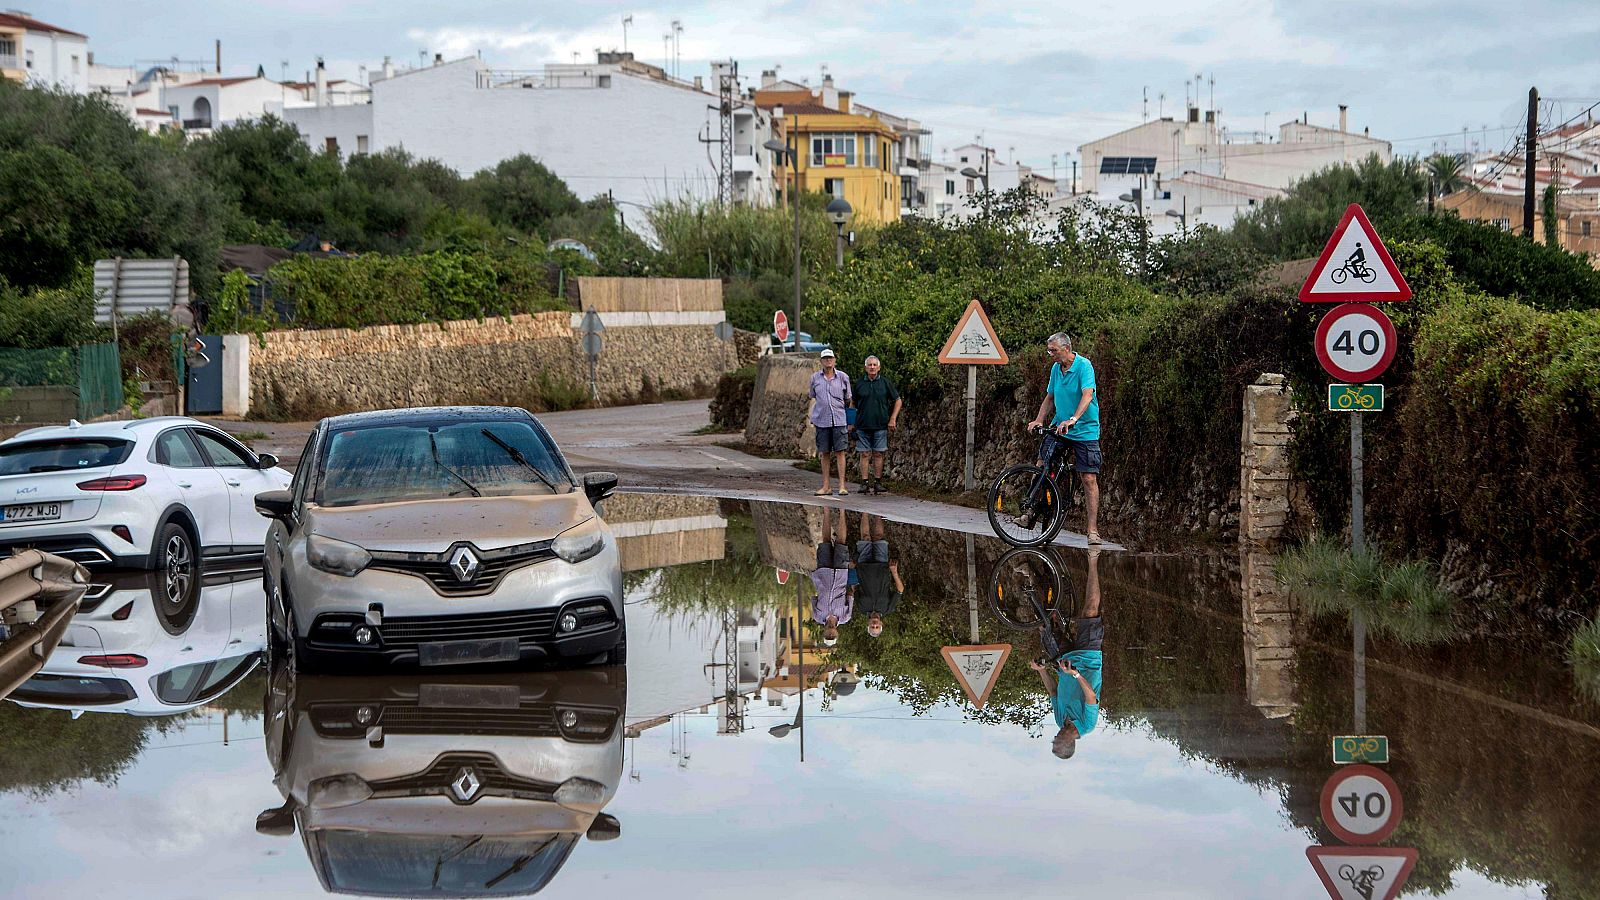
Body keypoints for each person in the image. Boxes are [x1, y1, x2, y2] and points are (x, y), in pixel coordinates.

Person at [1023, 332, 1103, 544]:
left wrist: (1074, 419)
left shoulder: (1084, 366)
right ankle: (1030, 511)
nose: (1050, 354)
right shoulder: (1056, 369)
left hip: (1084, 430)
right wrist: (1039, 419)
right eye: (1049, 350)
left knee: (1088, 478)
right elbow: (1050, 397)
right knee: (1041, 465)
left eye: (1054, 351)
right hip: (1060, 428)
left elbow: (1087, 395)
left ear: (1066, 349)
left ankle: (1092, 530)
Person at [1030, 547, 1103, 759]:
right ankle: (1093, 560)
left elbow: (1053, 693)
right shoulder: (1087, 725)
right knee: (1090, 610)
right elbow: (1091, 696)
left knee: (1043, 624)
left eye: (1054, 739)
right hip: (1088, 658)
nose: (1056, 736)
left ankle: (1038, 572)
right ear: (1069, 743)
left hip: (1064, 661)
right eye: (1058, 741)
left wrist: (1041, 671)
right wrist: (1077, 674)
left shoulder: (1059, 719)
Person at [850, 356, 902, 494]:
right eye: (869, 365)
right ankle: (864, 483)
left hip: (880, 425)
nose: (872, 367)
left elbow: (897, 400)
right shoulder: (859, 384)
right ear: (865, 367)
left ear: (879, 367)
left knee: (878, 453)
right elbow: (853, 403)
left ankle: (878, 482)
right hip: (862, 425)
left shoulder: (885, 383)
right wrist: (851, 422)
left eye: (874, 365)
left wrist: (893, 419)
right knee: (864, 454)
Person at [809, 348, 853, 496]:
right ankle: (826, 486)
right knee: (825, 453)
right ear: (821, 361)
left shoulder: (843, 377)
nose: (828, 360)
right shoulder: (815, 378)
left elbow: (848, 398)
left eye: (830, 358)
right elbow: (813, 395)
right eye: (825, 358)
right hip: (822, 420)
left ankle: (842, 486)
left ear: (835, 360)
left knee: (840, 452)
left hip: (839, 420)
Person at [853, 511, 902, 637]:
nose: (874, 624)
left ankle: (864, 511)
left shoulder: (861, 608)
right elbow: (900, 591)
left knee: (865, 537)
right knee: (879, 537)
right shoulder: (887, 609)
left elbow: (855, 588)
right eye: (877, 626)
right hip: (882, 567)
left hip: (863, 566)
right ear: (881, 624)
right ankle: (878, 512)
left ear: (868, 624)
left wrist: (853, 569)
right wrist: (894, 572)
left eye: (872, 626)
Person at [811, 506, 853, 646]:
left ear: (823, 633)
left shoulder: (817, 616)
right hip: (840, 575)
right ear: (837, 633)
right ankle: (842, 511)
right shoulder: (845, 617)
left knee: (825, 540)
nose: (830, 633)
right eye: (832, 636)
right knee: (841, 542)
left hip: (823, 574)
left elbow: (814, 597)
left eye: (827, 635)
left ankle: (826, 510)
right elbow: (850, 595)